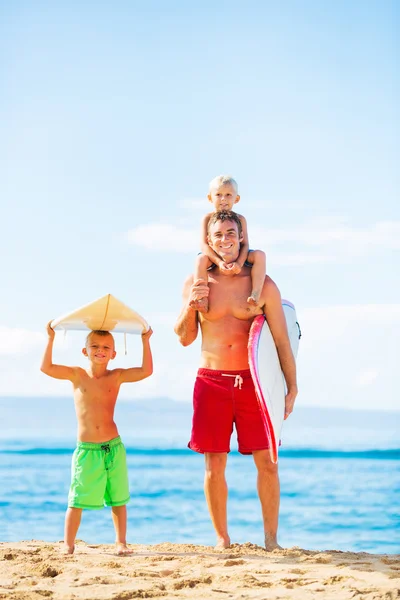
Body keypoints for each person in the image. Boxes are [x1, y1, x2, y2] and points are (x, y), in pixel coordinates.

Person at [174, 210, 297, 551]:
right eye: (219, 235)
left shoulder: (262, 285)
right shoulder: (196, 282)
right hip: (211, 380)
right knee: (214, 463)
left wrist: (292, 386)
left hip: (253, 384)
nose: (225, 240)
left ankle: (271, 540)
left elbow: (283, 341)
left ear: (242, 237)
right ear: (209, 241)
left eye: (231, 233)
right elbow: (184, 337)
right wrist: (191, 307)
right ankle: (221, 539)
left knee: (268, 462)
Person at [40, 324, 153, 555]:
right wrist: (50, 338)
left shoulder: (117, 376)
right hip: (87, 450)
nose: (100, 350)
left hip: (113, 447)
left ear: (114, 353)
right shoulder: (77, 375)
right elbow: (47, 368)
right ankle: (68, 544)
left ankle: (121, 542)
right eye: (94, 346)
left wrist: (145, 340)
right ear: (85, 351)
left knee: (118, 497)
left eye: (106, 347)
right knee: (77, 498)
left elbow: (146, 371)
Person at [189, 174, 266, 313]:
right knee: (200, 259)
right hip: (214, 255)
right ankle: (202, 298)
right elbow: (204, 245)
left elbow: (245, 245)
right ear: (210, 198)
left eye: (228, 195)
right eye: (218, 194)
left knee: (260, 255)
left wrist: (239, 263)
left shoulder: (240, 219)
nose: (223, 199)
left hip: (237, 254)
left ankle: (255, 293)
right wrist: (218, 262)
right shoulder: (207, 218)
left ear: (236, 199)